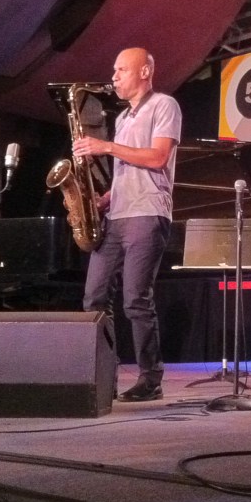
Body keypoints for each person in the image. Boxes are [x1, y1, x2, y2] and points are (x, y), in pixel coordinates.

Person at [73, 47, 182, 402]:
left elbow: (158, 157)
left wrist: (106, 147)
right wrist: (105, 198)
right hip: (116, 215)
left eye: (121, 70)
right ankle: (105, 374)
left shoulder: (164, 105)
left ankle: (150, 378)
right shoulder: (122, 118)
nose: (114, 77)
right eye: (114, 70)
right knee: (93, 297)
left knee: (136, 300)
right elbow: (128, 170)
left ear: (145, 72)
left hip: (147, 213)